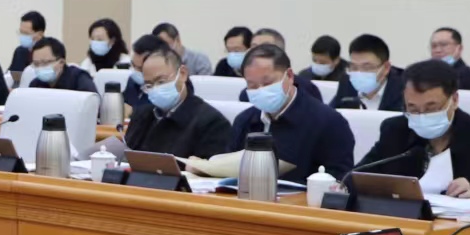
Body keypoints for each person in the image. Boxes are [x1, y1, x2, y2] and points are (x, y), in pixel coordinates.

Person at [360, 61, 470, 204]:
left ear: (454, 100)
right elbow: (358, 178)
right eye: (413, 109)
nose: (422, 115)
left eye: (431, 108)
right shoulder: (395, 130)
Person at [226, 43, 354, 181]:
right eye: (252, 85)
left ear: (289, 76)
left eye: (267, 83)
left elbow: (340, 181)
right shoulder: (244, 120)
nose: (261, 90)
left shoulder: (329, 122)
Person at [122, 45, 230, 159]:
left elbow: (210, 167)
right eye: (149, 85)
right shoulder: (142, 115)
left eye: (161, 81)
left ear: (182, 74)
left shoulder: (212, 123)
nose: (155, 89)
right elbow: (128, 154)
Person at [332, 34, 405, 112]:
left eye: (367, 67)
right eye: (354, 67)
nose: (359, 73)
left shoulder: (404, 87)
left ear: (386, 68)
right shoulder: (346, 82)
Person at [21, 38, 99, 94]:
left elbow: (92, 106)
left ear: (61, 62)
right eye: (36, 64)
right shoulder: (35, 85)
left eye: (45, 63)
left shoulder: (79, 79)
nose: (40, 67)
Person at [10, 11, 47, 78]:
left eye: (26, 33)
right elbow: (12, 76)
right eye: (21, 32)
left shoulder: (51, 53)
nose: (22, 36)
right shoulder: (20, 51)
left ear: (40, 34)